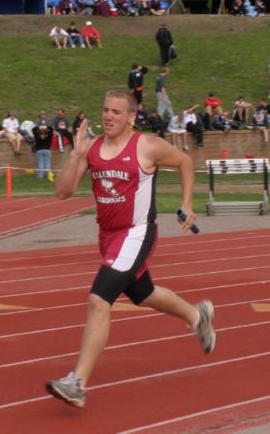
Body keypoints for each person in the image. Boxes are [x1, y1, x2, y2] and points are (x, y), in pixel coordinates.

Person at [45, 89, 215, 408]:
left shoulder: (147, 146)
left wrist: (187, 202)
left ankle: (77, 383)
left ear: (131, 117)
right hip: (108, 237)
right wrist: (75, 156)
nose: (108, 116)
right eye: (105, 109)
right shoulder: (93, 149)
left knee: (99, 300)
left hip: (136, 233)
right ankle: (196, 316)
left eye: (116, 112)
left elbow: (185, 161)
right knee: (142, 293)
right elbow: (62, 192)